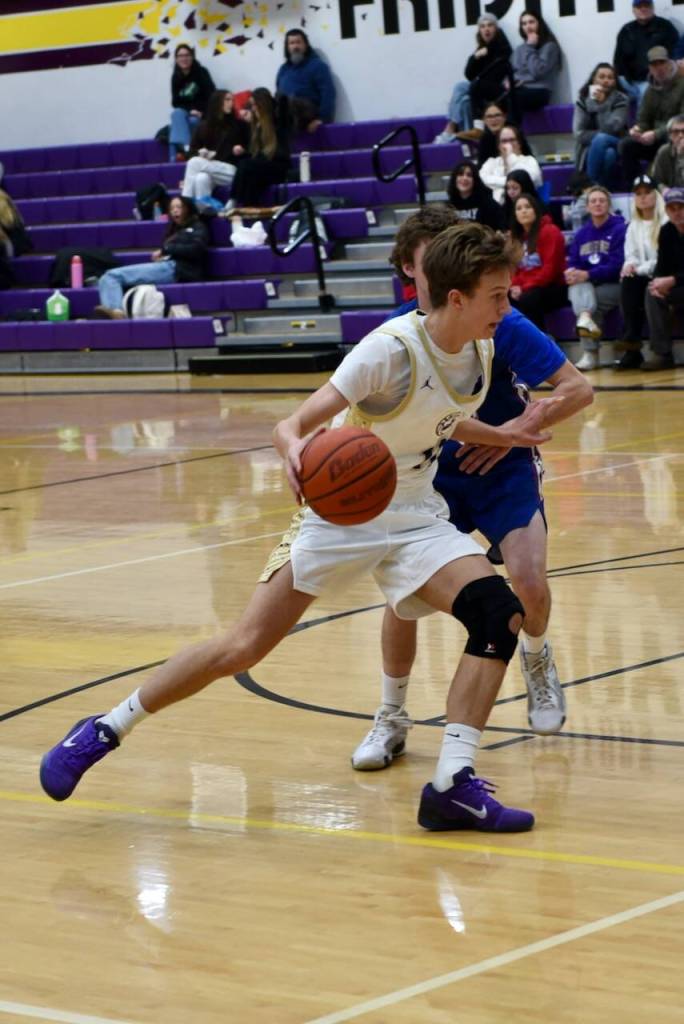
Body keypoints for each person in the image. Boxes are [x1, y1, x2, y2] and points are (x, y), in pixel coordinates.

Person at [40, 222, 562, 835]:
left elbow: (440, 418)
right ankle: (105, 727)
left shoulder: (481, 350)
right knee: (243, 647)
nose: (509, 303)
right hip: (339, 517)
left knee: (497, 610)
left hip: (417, 512)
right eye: (498, 295)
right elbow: (293, 424)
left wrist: (502, 435)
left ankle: (451, 783)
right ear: (457, 298)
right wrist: (293, 451)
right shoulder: (388, 351)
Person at [350, 207, 593, 772]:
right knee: (400, 602)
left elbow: (578, 388)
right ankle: (391, 715)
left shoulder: (499, 320)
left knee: (528, 581)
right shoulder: (393, 336)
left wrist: (519, 432)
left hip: (504, 466)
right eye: (431, 258)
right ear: (412, 270)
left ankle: (536, 661)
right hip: (430, 473)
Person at [94, 197, 209, 319]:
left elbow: (196, 249)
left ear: (188, 208)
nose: (175, 211)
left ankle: (116, 312)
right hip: (168, 266)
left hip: (177, 269)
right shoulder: (173, 230)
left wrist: (167, 250)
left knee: (112, 276)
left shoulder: (198, 227)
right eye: (172, 208)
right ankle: (115, 311)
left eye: (179, 207)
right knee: (107, 277)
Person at [565, 185, 626, 371]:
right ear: (588, 207)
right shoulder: (582, 234)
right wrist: (571, 273)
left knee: (591, 301)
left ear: (608, 205)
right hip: (587, 284)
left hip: (614, 284)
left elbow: (617, 266)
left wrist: (588, 274)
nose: (597, 204)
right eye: (593, 201)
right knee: (576, 288)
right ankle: (586, 319)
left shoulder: (619, 229)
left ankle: (591, 354)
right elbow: (573, 261)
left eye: (602, 201)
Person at [435, 14, 512, 143]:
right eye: (482, 26)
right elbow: (469, 74)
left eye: (490, 25)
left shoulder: (502, 48)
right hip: (480, 89)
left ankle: (452, 129)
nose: (486, 29)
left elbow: (495, 76)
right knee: (464, 99)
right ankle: (461, 135)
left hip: (498, 90)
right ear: (479, 30)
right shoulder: (481, 49)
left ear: (496, 29)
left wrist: (485, 54)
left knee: (468, 87)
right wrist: (475, 58)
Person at [616, 174, 667, 370]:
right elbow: (631, 254)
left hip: (661, 273)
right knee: (628, 281)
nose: (643, 197)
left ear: (656, 195)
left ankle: (658, 351)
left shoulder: (665, 223)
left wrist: (638, 268)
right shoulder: (633, 226)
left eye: (647, 192)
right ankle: (632, 348)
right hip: (642, 274)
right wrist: (629, 265)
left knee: (645, 286)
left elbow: (662, 260)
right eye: (638, 194)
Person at [617, 47, 684, 187]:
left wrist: (656, 133)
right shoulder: (649, 90)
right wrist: (638, 130)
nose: (659, 68)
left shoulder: (682, 84)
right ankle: (637, 189)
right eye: (654, 64)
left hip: (677, 136)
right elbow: (643, 119)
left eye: (661, 63)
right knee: (626, 145)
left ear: (669, 63)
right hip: (654, 138)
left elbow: (682, 119)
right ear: (650, 68)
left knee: (670, 140)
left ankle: (659, 186)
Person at [224, 88, 291, 212]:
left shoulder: (277, 121)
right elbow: (257, 153)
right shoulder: (256, 125)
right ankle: (250, 206)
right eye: (252, 105)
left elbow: (283, 101)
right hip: (264, 165)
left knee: (246, 165)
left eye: (255, 104)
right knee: (248, 170)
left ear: (263, 104)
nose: (253, 108)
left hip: (279, 165)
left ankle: (233, 199)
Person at [509, 193, 567, 330]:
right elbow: (512, 270)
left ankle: (542, 341)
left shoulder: (550, 231)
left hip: (554, 287)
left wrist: (523, 287)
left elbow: (550, 271)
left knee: (528, 299)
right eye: (519, 208)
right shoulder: (514, 237)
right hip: (528, 287)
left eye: (527, 207)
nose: (523, 211)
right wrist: (514, 286)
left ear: (536, 210)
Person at [181, 90, 249, 203]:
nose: (231, 103)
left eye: (232, 100)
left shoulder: (239, 125)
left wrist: (241, 150)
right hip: (210, 169)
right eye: (227, 99)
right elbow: (190, 153)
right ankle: (203, 212)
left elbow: (250, 149)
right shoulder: (203, 127)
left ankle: (185, 203)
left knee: (194, 163)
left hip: (232, 170)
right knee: (200, 179)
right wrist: (200, 153)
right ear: (217, 102)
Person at [642, 185, 684, 369]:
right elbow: (662, 266)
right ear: (666, 210)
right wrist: (657, 283)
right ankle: (662, 353)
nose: (677, 213)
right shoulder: (666, 231)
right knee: (652, 292)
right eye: (672, 208)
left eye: (681, 207)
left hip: (679, 282)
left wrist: (673, 280)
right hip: (678, 284)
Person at [573, 63, 629, 187]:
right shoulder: (583, 100)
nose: (606, 81)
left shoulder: (621, 99)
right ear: (593, 79)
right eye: (602, 77)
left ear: (615, 81)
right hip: (589, 147)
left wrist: (602, 105)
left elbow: (614, 128)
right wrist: (596, 141)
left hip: (617, 141)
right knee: (608, 154)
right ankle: (601, 187)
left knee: (602, 138)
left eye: (610, 78)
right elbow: (578, 133)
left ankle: (588, 186)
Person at [613, 0, 679, 105]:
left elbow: (676, 54)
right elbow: (617, 59)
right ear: (633, 10)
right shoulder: (626, 30)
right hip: (629, 82)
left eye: (646, 5)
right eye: (639, 6)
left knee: (645, 92)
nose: (643, 9)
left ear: (652, 8)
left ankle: (642, 120)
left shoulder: (665, 27)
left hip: (655, 80)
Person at [275, 29, 335, 132]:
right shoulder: (283, 69)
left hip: (307, 116)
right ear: (287, 47)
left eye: (299, 42)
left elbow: (328, 94)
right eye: (292, 43)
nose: (295, 46)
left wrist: (322, 119)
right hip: (287, 120)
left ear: (306, 44)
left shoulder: (318, 66)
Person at [510, 10, 561, 120]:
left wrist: (529, 47)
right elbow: (512, 71)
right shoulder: (520, 49)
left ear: (539, 24)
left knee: (513, 98)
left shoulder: (550, 46)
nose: (528, 26)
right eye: (524, 23)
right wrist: (508, 82)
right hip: (520, 89)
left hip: (539, 91)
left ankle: (513, 133)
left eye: (531, 22)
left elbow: (537, 71)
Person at [168, 44, 216, 161]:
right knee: (176, 113)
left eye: (187, 55)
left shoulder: (201, 72)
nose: (184, 58)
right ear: (176, 59)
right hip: (186, 112)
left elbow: (212, 97)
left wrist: (201, 112)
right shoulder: (175, 77)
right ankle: (188, 149)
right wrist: (190, 110)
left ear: (192, 57)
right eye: (180, 56)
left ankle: (179, 153)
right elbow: (175, 102)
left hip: (202, 113)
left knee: (192, 121)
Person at [479, 124, 542, 204]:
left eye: (512, 140)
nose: (508, 144)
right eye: (504, 141)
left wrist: (510, 156)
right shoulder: (491, 162)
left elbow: (530, 179)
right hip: (497, 207)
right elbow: (483, 179)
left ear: (519, 143)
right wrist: (510, 183)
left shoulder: (529, 160)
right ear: (498, 145)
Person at [446, 159, 504, 230]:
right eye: (460, 174)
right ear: (454, 179)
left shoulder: (489, 205)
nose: (464, 178)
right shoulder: (448, 207)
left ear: (475, 180)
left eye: (469, 175)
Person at [651, 114, 684, 188]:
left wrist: (681, 156)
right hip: (672, 196)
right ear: (670, 135)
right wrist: (664, 190)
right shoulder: (664, 152)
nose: (680, 135)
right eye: (676, 132)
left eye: (683, 131)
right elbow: (656, 180)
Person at [476, 102, 508, 167]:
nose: (493, 119)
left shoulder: (514, 134)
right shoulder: (485, 139)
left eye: (497, 115)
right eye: (489, 116)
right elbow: (481, 166)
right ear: (484, 120)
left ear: (504, 117)